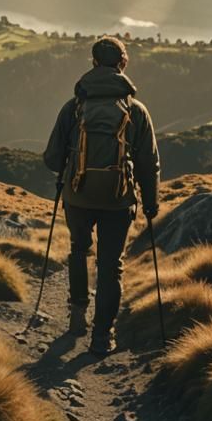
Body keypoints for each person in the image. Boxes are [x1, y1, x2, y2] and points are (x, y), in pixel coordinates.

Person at [43, 35, 160, 356]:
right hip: (118, 200)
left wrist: (72, 167)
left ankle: (77, 316)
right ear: (123, 64)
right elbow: (149, 164)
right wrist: (151, 203)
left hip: (78, 197)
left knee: (79, 250)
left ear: (93, 63)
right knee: (111, 265)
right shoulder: (136, 111)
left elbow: (52, 158)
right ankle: (102, 336)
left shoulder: (74, 107)